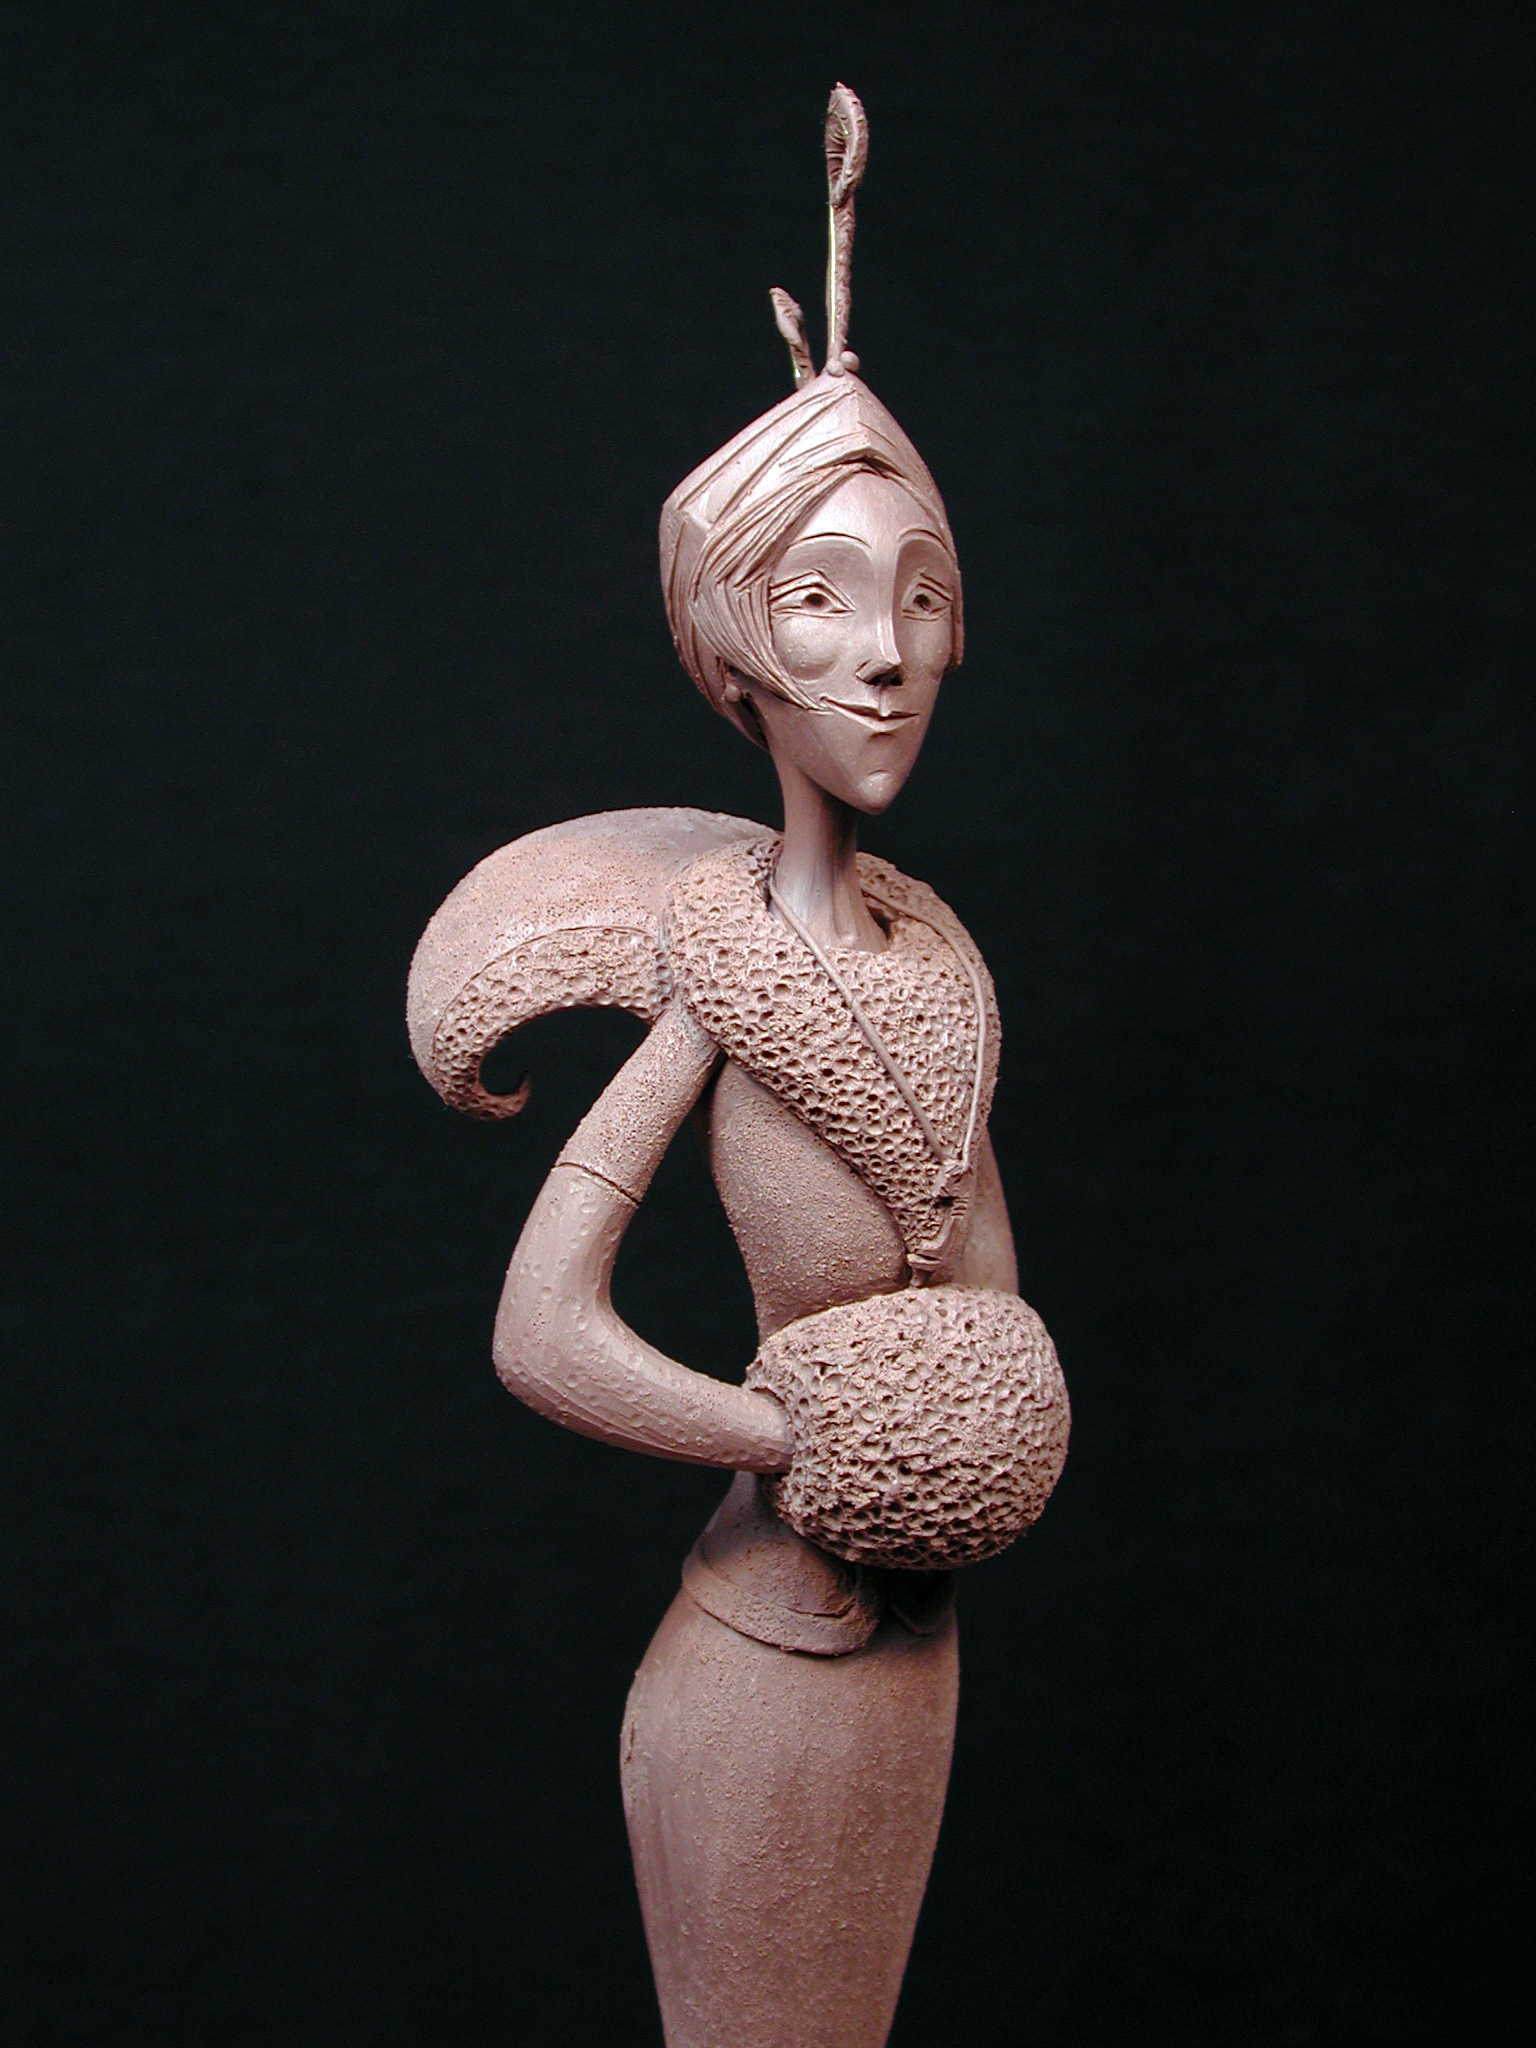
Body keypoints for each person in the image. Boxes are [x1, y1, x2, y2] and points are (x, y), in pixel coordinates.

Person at [408, 87, 1063, 2048]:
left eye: (919, 597)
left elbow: (981, 1292)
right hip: (772, 1643)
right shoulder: (709, 964)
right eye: (820, 601)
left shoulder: (942, 962)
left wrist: (982, 1419)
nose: (884, 655)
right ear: (731, 650)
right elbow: (542, 1332)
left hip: (916, 1642)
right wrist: (792, 1441)